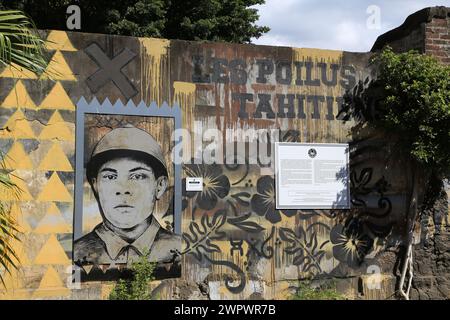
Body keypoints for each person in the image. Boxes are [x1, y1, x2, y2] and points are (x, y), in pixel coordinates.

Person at [74, 125, 180, 270]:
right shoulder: (79, 252)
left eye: (137, 176)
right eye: (110, 177)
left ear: (160, 186)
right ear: (95, 186)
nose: (123, 189)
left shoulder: (177, 248)